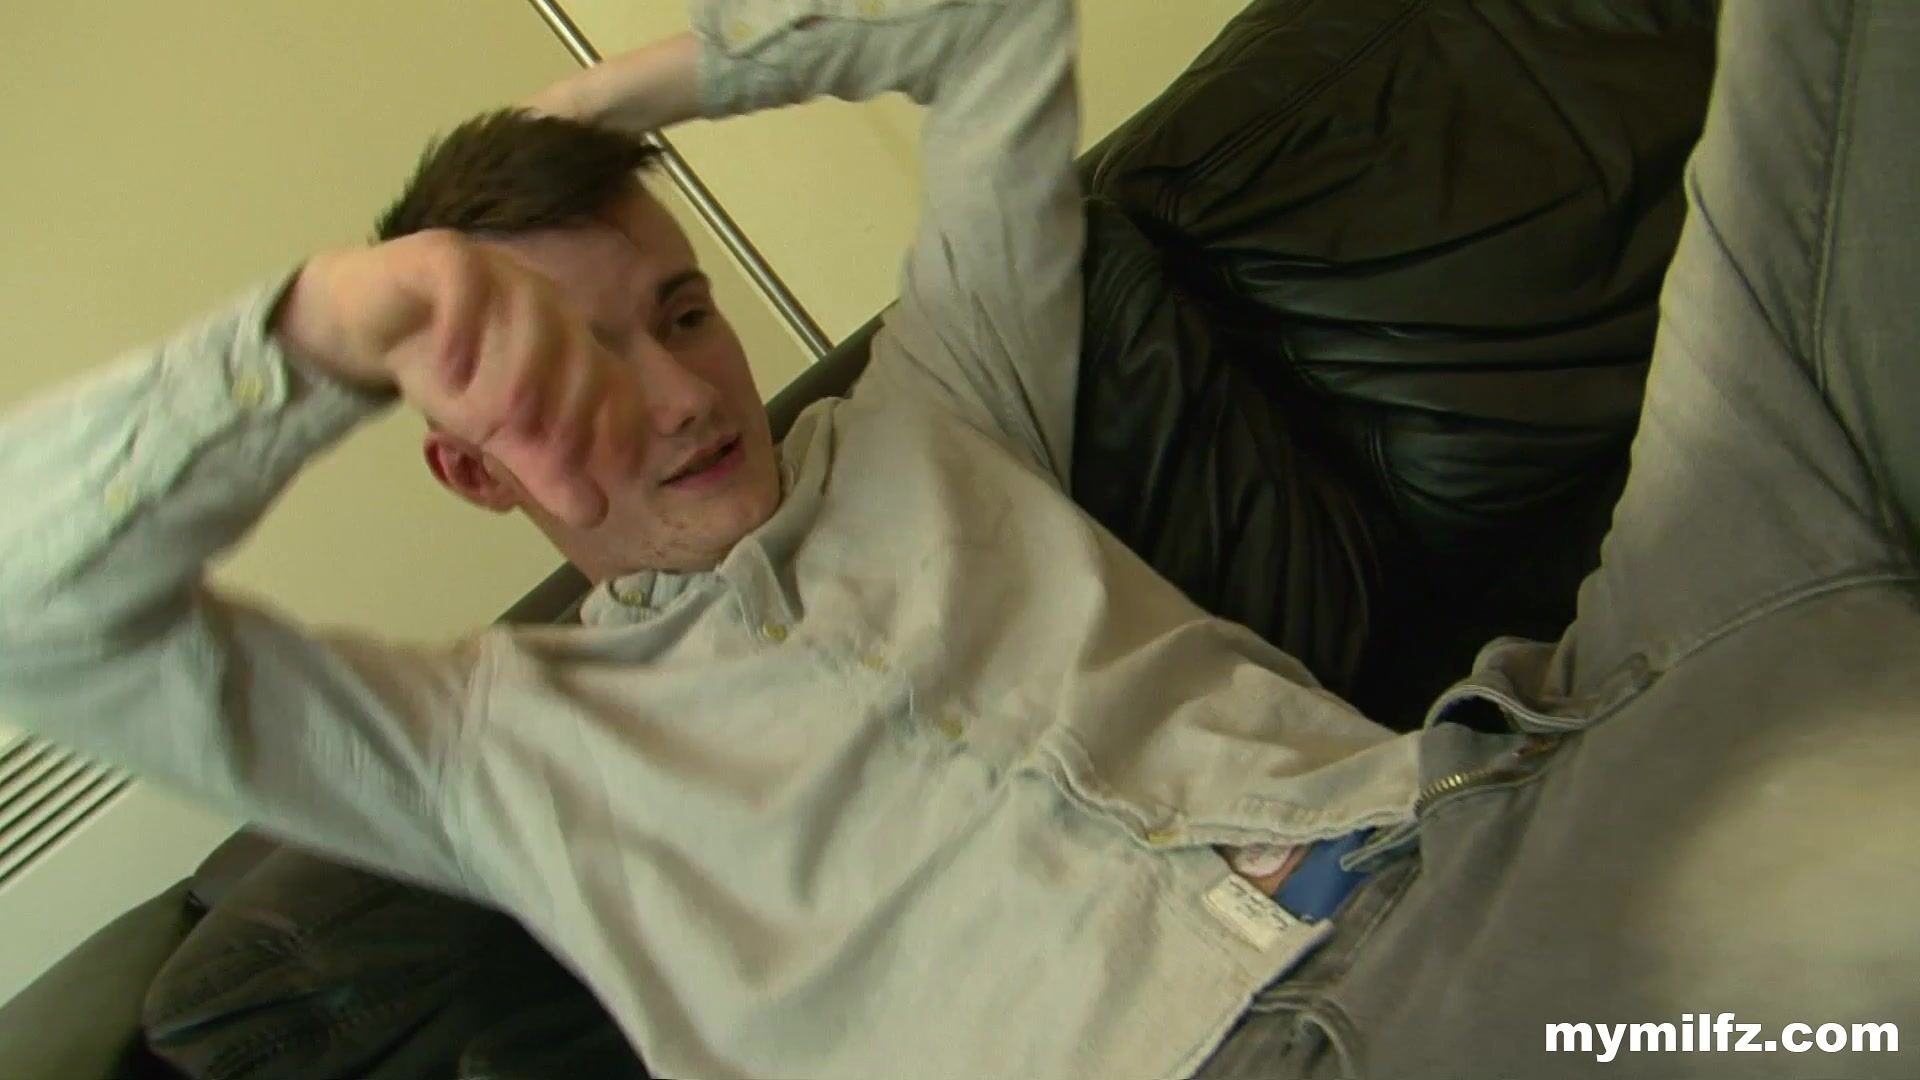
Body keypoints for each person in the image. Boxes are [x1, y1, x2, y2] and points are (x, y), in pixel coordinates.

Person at [0, 3, 1913, 1080]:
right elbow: (38, 612)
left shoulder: (942, 397)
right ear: (470, 472)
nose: (676, 392)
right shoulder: (490, 755)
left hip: (1504, 797)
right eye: (573, 366)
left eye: (679, 312)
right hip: (1276, 1053)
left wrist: (624, 95)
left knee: (1800, 143)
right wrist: (326, 333)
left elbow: (990, 30)